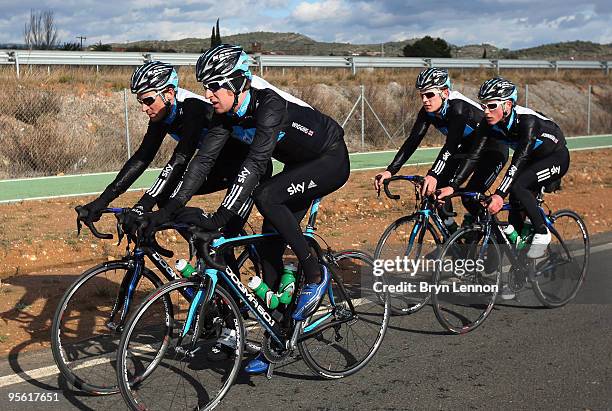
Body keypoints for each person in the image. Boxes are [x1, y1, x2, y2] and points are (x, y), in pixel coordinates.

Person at [139, 44, 350, 374]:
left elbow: (254, 164)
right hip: (297, 166)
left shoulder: (269, 105)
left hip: (329, 158)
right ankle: (279, 338)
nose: (208, 94)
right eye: (205, 87)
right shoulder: (225, 114)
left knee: (266, 196)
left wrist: (222, 218)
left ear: (238, 83)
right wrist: (167, 209)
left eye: (214, 86)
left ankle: (313, 274)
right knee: (268, 246)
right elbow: (201, 163)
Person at [78, 61, 261, 237]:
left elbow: (181, 158)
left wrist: (142, 205)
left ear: (169, 93)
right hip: (218, 167)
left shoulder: (192, 107)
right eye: (140, 101)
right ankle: (197, 240)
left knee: (223, 240)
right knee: (165, 196)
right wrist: (101, 201)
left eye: (148, 100)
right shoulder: (163, 113)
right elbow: (142, 158)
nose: (144, 108)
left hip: (247, 170)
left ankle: (216, 247)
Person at [438, 77, 570, 260]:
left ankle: (542, 233)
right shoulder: (487, 123)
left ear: (507, 105)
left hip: (555, 157)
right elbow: (474, 156)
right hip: (531, 159)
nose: (486, 111)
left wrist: (500, 194)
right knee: (515, 203)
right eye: (483, 106)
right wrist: (453, 186)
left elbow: (519, 160)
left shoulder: (527, 122)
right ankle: (519, 260)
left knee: (518, 187)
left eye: (491, 106)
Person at [373, 68, 508, 227]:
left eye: (429, 94)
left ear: (444, 92)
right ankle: (453, 239)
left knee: (470, 197)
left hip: (493, 150)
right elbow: (412, 141)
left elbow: (450, 146)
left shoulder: (458, 108)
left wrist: (433, 174)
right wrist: (390, 170)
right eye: (421, 95)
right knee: (437, 192)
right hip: (467, 149)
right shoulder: (427, 112)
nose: (424, 100)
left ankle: (503, 236)